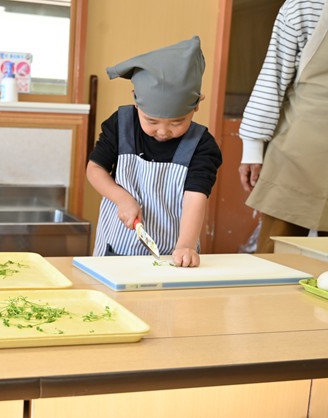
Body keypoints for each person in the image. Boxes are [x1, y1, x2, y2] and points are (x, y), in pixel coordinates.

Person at [87, 36, 222, 267]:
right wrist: (122, 198)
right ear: (136, 100)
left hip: (173, 254)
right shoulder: (121, 125)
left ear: (197, 104)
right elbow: (95, 169)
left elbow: (195, 197)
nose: (163, 131)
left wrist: (186, 245)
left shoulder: (201, 144)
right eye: (151, 121)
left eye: (177, 122)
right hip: (115, 249)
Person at [238, 0, 328, 253]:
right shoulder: (304, 6)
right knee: (277, 254)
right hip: (298, 154)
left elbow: (272, 78)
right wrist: (252, 149)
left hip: (298, 148)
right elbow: (273, 79)